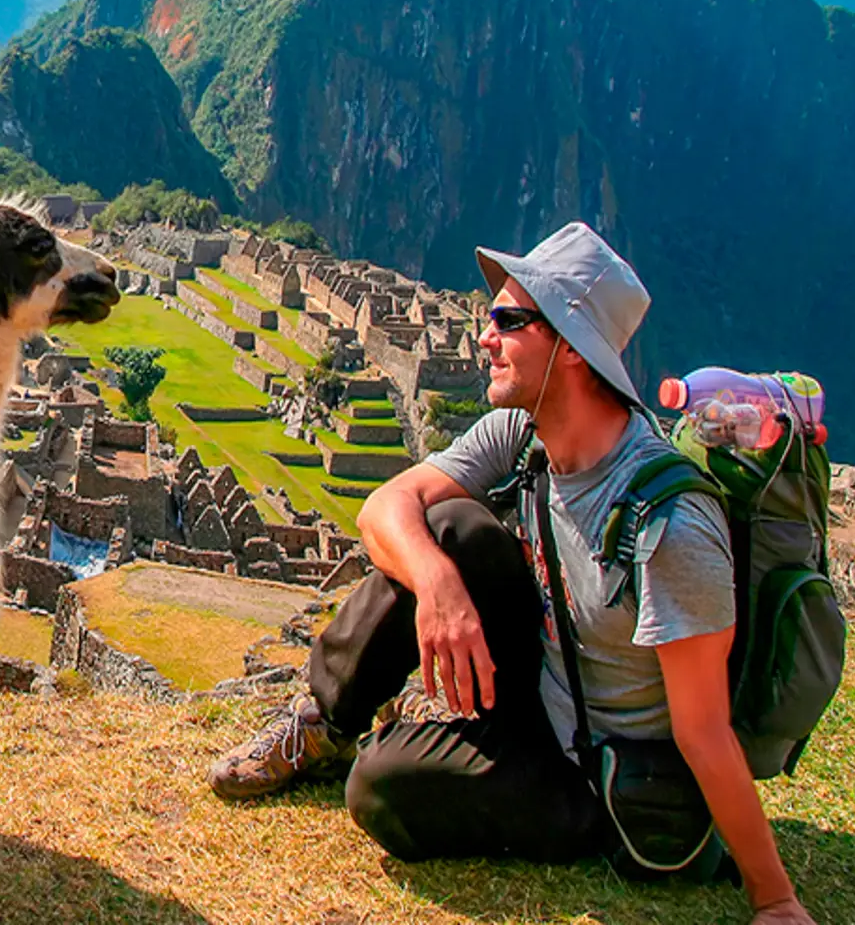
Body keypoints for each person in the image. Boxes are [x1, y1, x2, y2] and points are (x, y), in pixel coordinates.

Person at [206, 222, 814, 924]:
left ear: (574, 351)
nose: (485, 337)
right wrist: (439, 586)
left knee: (381, 790)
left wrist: (775, 896)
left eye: (508, 319)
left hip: (600, 773)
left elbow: (703, 730)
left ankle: (415, 751)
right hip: (540, 691)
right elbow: (384, 508)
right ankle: (321, 724)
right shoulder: (522, 435)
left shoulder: (670, 527)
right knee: (446, 531)